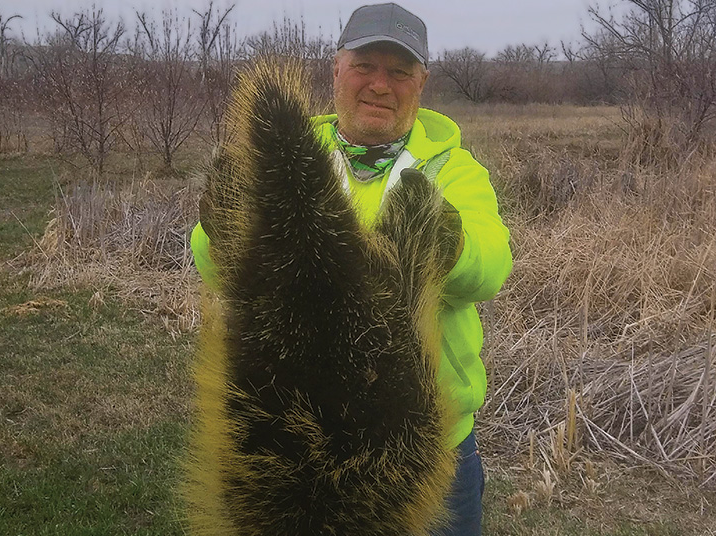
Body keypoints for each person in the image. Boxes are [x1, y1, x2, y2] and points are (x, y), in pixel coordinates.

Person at [190, 3, 512, 535]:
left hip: (417, 435)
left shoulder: (453, 169)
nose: (380, 85)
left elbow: (491, 265)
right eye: (365, 66)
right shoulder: (294, 155)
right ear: (336, 70)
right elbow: (219, 269)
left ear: (422, 83)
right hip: (283, 429)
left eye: (399, 71)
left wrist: (446, 245)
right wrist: (224, 231)